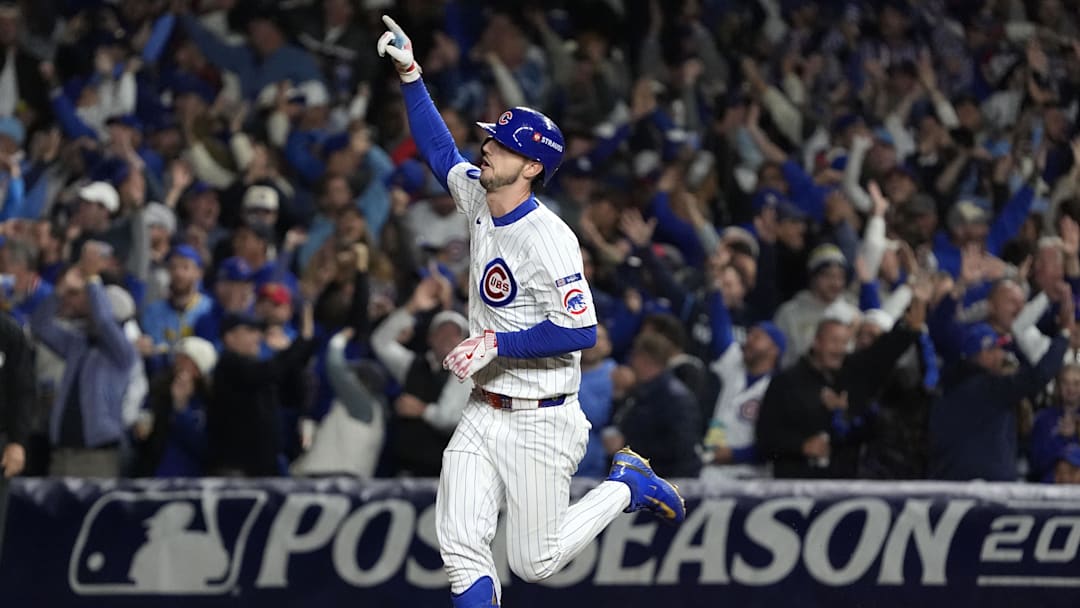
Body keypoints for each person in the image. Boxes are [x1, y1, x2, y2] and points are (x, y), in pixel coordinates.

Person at [377, 16, 684, 608]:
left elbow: (582, 328)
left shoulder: (550, 239)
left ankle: (627, 485)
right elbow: (440, 150)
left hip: (541, 418)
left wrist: (496, 344)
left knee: (533, 562)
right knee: (461, 548)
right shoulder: (479, 196)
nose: (486, 148)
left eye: (501, 146)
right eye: (491, 140)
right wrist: (412, 74)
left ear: (533, 167)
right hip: (482, 411)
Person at [756, 295, 926, 479]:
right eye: (834, 342)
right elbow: (766, 438)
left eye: (844, 343)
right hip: (793, 488)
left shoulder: (850, 375)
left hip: (841, 491)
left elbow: (880, 355)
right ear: (816, 342)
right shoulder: (786, 382)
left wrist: (907, 328)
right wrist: (801, 446)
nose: (839, 349)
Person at [30, 242, 137, 476]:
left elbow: (103, 322)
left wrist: (92, 278)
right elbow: (40, 325)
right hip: (62, 453)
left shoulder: (122, 352)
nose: (87, 308)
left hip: (97, 457)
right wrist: (60, 291)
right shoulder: (78, 344)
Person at [930, 318, 1070, 481]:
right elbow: (1039, 376)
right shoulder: (986, 388)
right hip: (982, 488)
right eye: (997, 349)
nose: (1002, 354)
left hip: (951, 484)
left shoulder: (949, 389)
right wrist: (1064, 336)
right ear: (984, 353)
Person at [369, 278, 469, 477]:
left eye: (454, 334)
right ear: (430, 338)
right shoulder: (412, 365)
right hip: (402, 466)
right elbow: (380, 342)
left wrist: (421, 410)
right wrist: (412, 307)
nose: (447, 339)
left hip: (443, 473)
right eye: (441, 333)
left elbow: (451, 418)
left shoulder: (468, 375)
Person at [206, 302, 316, 477]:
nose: (257, 336)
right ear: (230, 337)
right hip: (236, 468)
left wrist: (292, 353)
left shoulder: (256, 367)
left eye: (258, 331)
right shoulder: (228, 365)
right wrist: (302, 340)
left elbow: (294, 395)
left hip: (265, 463)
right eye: (249, 331)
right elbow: (268, 372)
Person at [607, 333, 702, 477]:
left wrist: (628, 446)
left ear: (644, 359)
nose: (631, 361)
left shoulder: (675, 397)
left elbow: (680, 448)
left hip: (669, 484)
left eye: (634, 356)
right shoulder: (639, 391)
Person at [1030, 364, 1080, 483]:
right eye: (1065, 383)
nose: (1071, 389)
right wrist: (1060, 437)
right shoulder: (1043, 419)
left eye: (1076, 383)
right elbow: (1036, 464)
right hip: (1050, 489)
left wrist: (1076, 433)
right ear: (1058, 386)